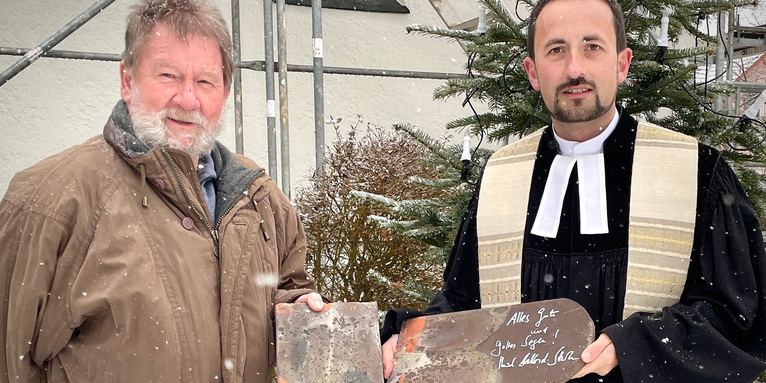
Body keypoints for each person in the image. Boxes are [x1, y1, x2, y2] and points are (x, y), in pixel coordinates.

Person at [380, 0, 766, 381]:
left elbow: (738, 316)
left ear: (622, 64)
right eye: (556, 50)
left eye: (592, 47)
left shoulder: (698, 172)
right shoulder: (501, 175)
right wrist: (407, 340)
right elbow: (462, 304)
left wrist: (635, 345)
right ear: (533, 72)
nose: (574, 69)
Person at [0, 0, 325, 381]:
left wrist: (298, 307)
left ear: (224, 92)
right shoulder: (52, 199)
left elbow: (281, 291)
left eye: (205, 81)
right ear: (128, 81)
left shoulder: (257, 196)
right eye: (168, 75)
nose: (188, 99)